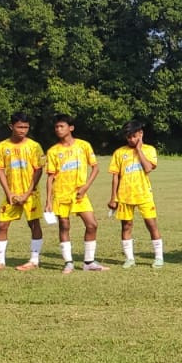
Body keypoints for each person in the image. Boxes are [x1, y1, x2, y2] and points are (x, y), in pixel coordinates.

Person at [44, 114, 106, 273]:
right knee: (64, 226)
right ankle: (68, 262)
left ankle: (89, 262)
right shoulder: (53, 151)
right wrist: (48, 201)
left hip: (79, 194)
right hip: (61, 194)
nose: (58, 129)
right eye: (56, 127)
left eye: (62, 126)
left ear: (71, 128)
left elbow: (96, 168)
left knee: (92, 224)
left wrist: (85, 187)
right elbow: (50, 177)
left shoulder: (83, 145)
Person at [0, 112, 44, 271]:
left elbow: (38, 170)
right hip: (11, 194)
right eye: (20, 127)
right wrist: (8, 193)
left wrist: (27, 193)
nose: (23, 130)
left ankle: (34, 260)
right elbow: (0, 170)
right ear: (11, 126)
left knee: (34, 224)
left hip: (30, 193)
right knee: (2, 225)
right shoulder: (2, 146)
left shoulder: (34, 146)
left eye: (26, 127)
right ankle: (0, 261)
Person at [108, 121, 163, 268]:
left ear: (141, 134)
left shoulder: (149, 150)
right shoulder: (119, 153)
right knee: (126, 226)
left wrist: (139, 150)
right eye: (128, 137)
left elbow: (148, 168)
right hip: (124, 195)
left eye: (134, 136)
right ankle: (130, 259)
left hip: (144, 194)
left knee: (151, 224)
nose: (131, 139)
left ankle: (159, 257)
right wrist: (113, 197)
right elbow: (115, 177)